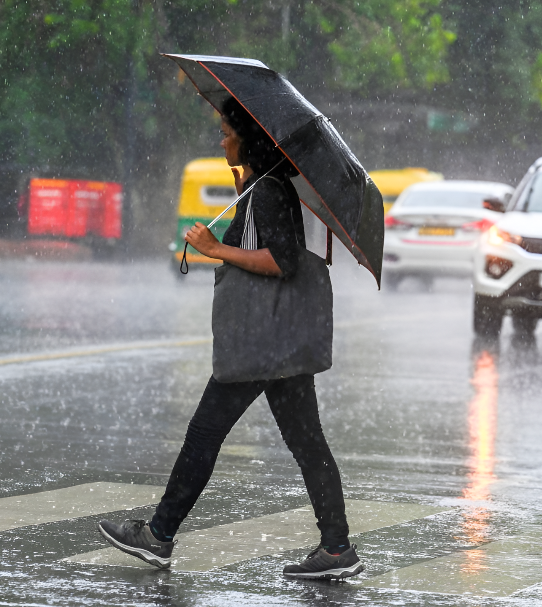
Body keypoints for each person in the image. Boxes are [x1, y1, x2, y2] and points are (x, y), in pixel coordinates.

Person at [97, 98, 363, 580]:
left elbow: (280, 260)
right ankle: (338, 548)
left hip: (260, 340)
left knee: (206, 433)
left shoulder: (267, 192)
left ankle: (158, 536)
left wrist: (214, 248)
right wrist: (246, 190)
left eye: (226, 133)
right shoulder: (264, 186)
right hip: (278, 342)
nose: (220, 140)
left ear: (248, 138)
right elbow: (266, 241)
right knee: (307, 444)